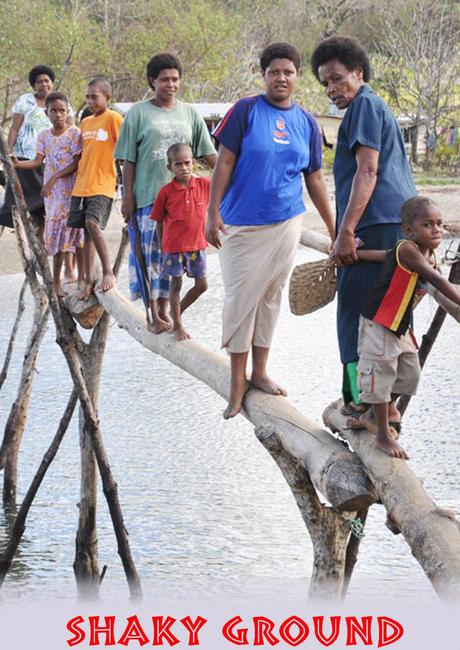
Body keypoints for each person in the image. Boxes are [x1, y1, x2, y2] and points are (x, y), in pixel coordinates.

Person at [207, 42, 335, 420]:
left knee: (270, 298)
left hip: (286, 221)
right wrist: (210, 213)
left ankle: (259, 372)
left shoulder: (308, 123)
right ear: (263, 75)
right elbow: (224, 163)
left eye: (288, 72)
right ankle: (236, 383)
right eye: (274, 71)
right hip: (241, 224)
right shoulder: (246, 110)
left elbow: (314, 178)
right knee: (239, 300)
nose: (281, 78)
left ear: (297, 77)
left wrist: (333, 228)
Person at [311, 35, 417, 412]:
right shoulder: (372, 106)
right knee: (387, 315)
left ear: (359, 73)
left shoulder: (364, 108)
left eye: (338, 79)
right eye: (326, 83)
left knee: (359, 315)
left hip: (376, 226)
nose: (332, 90)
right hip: (393, 226)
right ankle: (381, 409)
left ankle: (365, 405)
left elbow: (368, 170)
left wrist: (345, 233)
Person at [348, 197, 460, 459]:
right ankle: (383, 436)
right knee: (380, 377)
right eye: (428, 224)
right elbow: (435, 279)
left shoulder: (428, 254)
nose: (436, 230)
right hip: (379, 322)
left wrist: (357, 255)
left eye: (440, 224)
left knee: (410, 375)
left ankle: (372, 413)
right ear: (409, 230)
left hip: (399, 325)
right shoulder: (408, 249)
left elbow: (383, 256)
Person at [115, 53, 216, 332]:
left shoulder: (189, 113)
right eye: (164, 79)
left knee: (175, 263)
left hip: (183, 203)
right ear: (152, 81)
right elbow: (128, 158)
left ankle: (172, 314)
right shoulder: (138, 113)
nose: (170, 84)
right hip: (148, 197)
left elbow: (208, 154)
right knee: (151, 257)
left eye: (175, 79)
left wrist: (233, 173)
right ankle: (154, 314)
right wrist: (128, 197)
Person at [13, 92, 83, 296]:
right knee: (57, 240)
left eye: (62, 110)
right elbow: (37, 160)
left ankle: (79, 277)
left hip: (71, 192)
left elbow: (76, 163)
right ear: (47, 113)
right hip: (53, 197)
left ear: (67, 111)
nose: (58, 115)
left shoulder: (74, 134)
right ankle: (56, 283)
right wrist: (19, 164)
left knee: (75, 235)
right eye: (54, 111)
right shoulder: (44, 136)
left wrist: (53, 178)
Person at [68, 77, 123, 299]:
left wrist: (128, 188)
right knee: (86, 232)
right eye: (88, 97)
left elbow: (124, 153)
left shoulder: (113, 118)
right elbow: (81, 155)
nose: (90, 101)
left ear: (107, 98)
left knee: (93, 223)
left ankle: (108, 272)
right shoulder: (86, 122)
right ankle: (89, 279)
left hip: (103, 183)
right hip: (82, 185)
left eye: (95, 97)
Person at [1, 65, 71, 232]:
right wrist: (8, 153)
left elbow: (71, 130)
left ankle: (42, 241)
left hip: (51, 163)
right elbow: (15, 129)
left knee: (44, 206)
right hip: (24, 159)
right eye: (39, 82)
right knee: (18, 203)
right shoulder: (25, 101)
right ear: (34, 85)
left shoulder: (60, 102)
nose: (43, 84)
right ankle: (25, 230)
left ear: (52, 83)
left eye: (47, 81)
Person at [151, 143, 209, 340]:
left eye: (187, 163)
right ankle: (178, 325)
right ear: (170, 168)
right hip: (174, 248)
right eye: (178, 164)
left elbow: (224, 190)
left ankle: (177, 313)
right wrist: (162, 246)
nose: (183, 168)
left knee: (202, 285)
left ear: (193, 163)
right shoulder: (166, 192)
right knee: (175, 285)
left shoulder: (203, 185)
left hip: (198, 246)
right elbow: (159, 221)